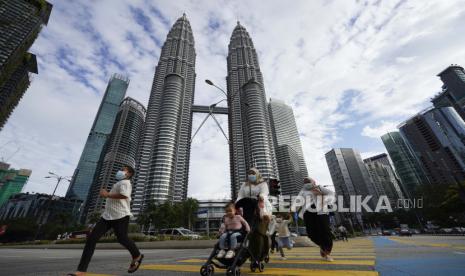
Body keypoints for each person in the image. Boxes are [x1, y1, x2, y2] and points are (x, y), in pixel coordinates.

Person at [68, 165, 143, 276]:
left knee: (122, 238)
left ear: (129, 174)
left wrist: (107, 194)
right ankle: (81, 271)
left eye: (123, 170)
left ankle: (137, 255)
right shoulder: (118, 183)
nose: (120, 171)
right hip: (107, 216)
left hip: (121, 215)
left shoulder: (126, 183)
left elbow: (124, 195)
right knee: (91, 239)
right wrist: (107, 196)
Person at [291, 177, 335, 262]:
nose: (305, 181)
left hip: (321, 210)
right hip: (308, 212)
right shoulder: (303, 191)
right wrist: (292, 210)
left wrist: (322, 196)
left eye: (307, 180)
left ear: (312, 181)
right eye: (304, 181)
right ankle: (322, 245)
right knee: (311, 233)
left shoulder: (319, 187)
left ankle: (327, 252)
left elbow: (332, 194)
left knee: (325, 231)